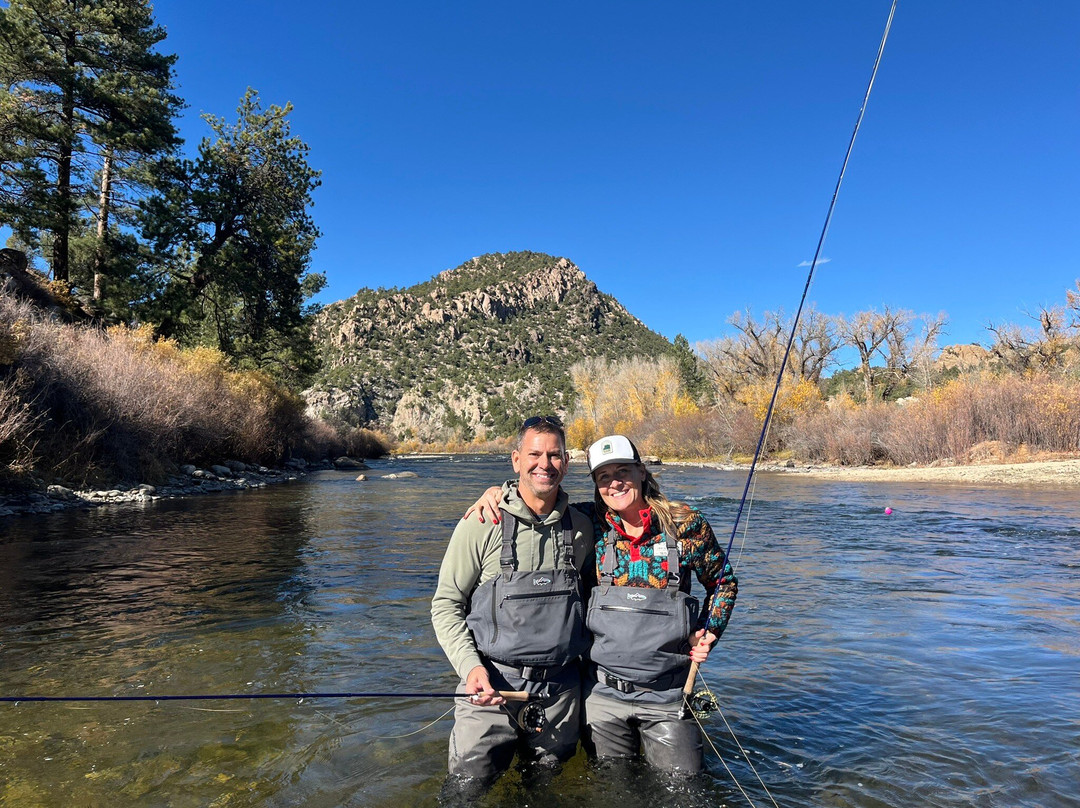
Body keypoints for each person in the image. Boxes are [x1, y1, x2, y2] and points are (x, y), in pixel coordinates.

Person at [466, 433, 737, 774]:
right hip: (603, 696)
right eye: (604, 477)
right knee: (612, 788)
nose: (615, 483)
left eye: (623, 471)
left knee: (684, 788)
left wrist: (709, 631)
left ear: (642, 472)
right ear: (596, 483)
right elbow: (538, 501)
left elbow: (723, 582)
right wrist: (498, 493)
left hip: (668, 693)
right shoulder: (588, 524)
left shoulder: (685, 524)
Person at [431, 415, 595, 792]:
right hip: (489, 688)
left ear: (567, 463)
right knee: (465, 790)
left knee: (546, 790)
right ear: (516, 460)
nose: (545, 464)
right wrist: (471, 668)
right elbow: (446, 604)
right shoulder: (481, 522)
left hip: (560, 694)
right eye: (534, 454)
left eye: (555, 455)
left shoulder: (585, 527)